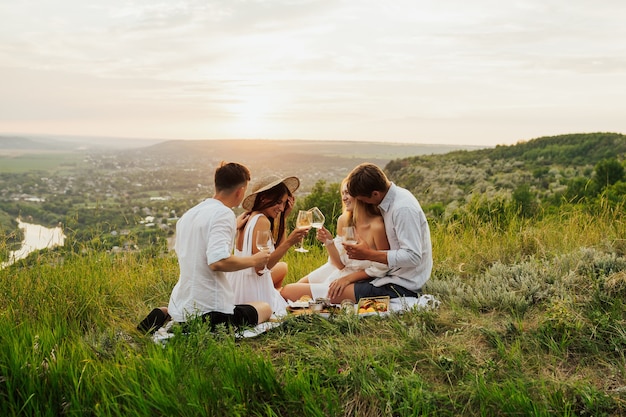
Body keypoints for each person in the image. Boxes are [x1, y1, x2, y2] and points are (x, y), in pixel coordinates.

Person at [139, 161, 272, 334]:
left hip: (182, 304)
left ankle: (169, 315)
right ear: (240, 191)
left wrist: (232, 227)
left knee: (184, 313)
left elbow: (198, 250)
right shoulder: (224, 214)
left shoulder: (189, 215)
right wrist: (255, 260)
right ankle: (183, 323)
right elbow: (218, 262)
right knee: (264, 308)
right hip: (211, 311)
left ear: (217, 185)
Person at [327, 163, 433, 303]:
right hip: (384, 277)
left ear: (375, 194)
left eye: (362, 199)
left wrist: (369, 254)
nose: (362, 203)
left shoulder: (403, 209)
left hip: (401, 285)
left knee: (330, 296)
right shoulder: (389, 199)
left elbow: (413, 256)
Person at [280, 178, 389, 303]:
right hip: (338, 271)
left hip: (360, 279)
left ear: (360, 194)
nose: (344, 198)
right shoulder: (344, 220)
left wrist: (347, 279)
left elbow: (383, 266)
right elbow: (340, 264)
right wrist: (328, 242)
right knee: (289, 291)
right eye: (342, 193)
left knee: (287, 291)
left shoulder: (376, 225)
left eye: (347, 193)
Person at [229, 175, 309, 316]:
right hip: (252, 288)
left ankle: (275, 292)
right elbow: (261, 268)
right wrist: (290, 242)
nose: (281, 207)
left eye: (284, 203)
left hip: (240, 283)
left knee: (283, 267)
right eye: (278, 202)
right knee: (286, 305)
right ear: (264, 198)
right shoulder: (262, 221)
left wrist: (283, 218)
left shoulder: (249, 217)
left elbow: (274, 251)